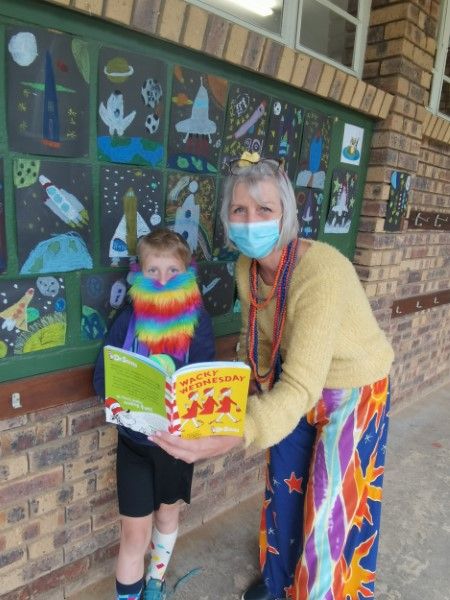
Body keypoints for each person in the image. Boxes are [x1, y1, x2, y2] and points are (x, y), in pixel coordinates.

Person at [150, 152, 395, 600]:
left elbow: (302, 385)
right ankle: (280, 581)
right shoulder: (247, 266)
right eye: (239, 209)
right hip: (291, 376)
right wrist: (228, 401)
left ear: (286, 214)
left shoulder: (321, 272)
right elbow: (257, 340)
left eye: (264, 208)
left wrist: (237, 431)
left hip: (353, 386)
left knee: (331, 507)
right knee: (284, 486)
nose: (251, 221)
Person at [93, 228, 215, 600]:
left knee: (166, 515)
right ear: (139, 273)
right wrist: (114, 401)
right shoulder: (128, 318)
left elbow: (204, 377)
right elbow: (102, 375)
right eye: (153, 271)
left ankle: (155, 583)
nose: (163, 280)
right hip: (134, 443)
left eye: (172, 271)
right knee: (134, 534)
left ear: (187, 272)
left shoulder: (197, 320)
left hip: (176, 445)